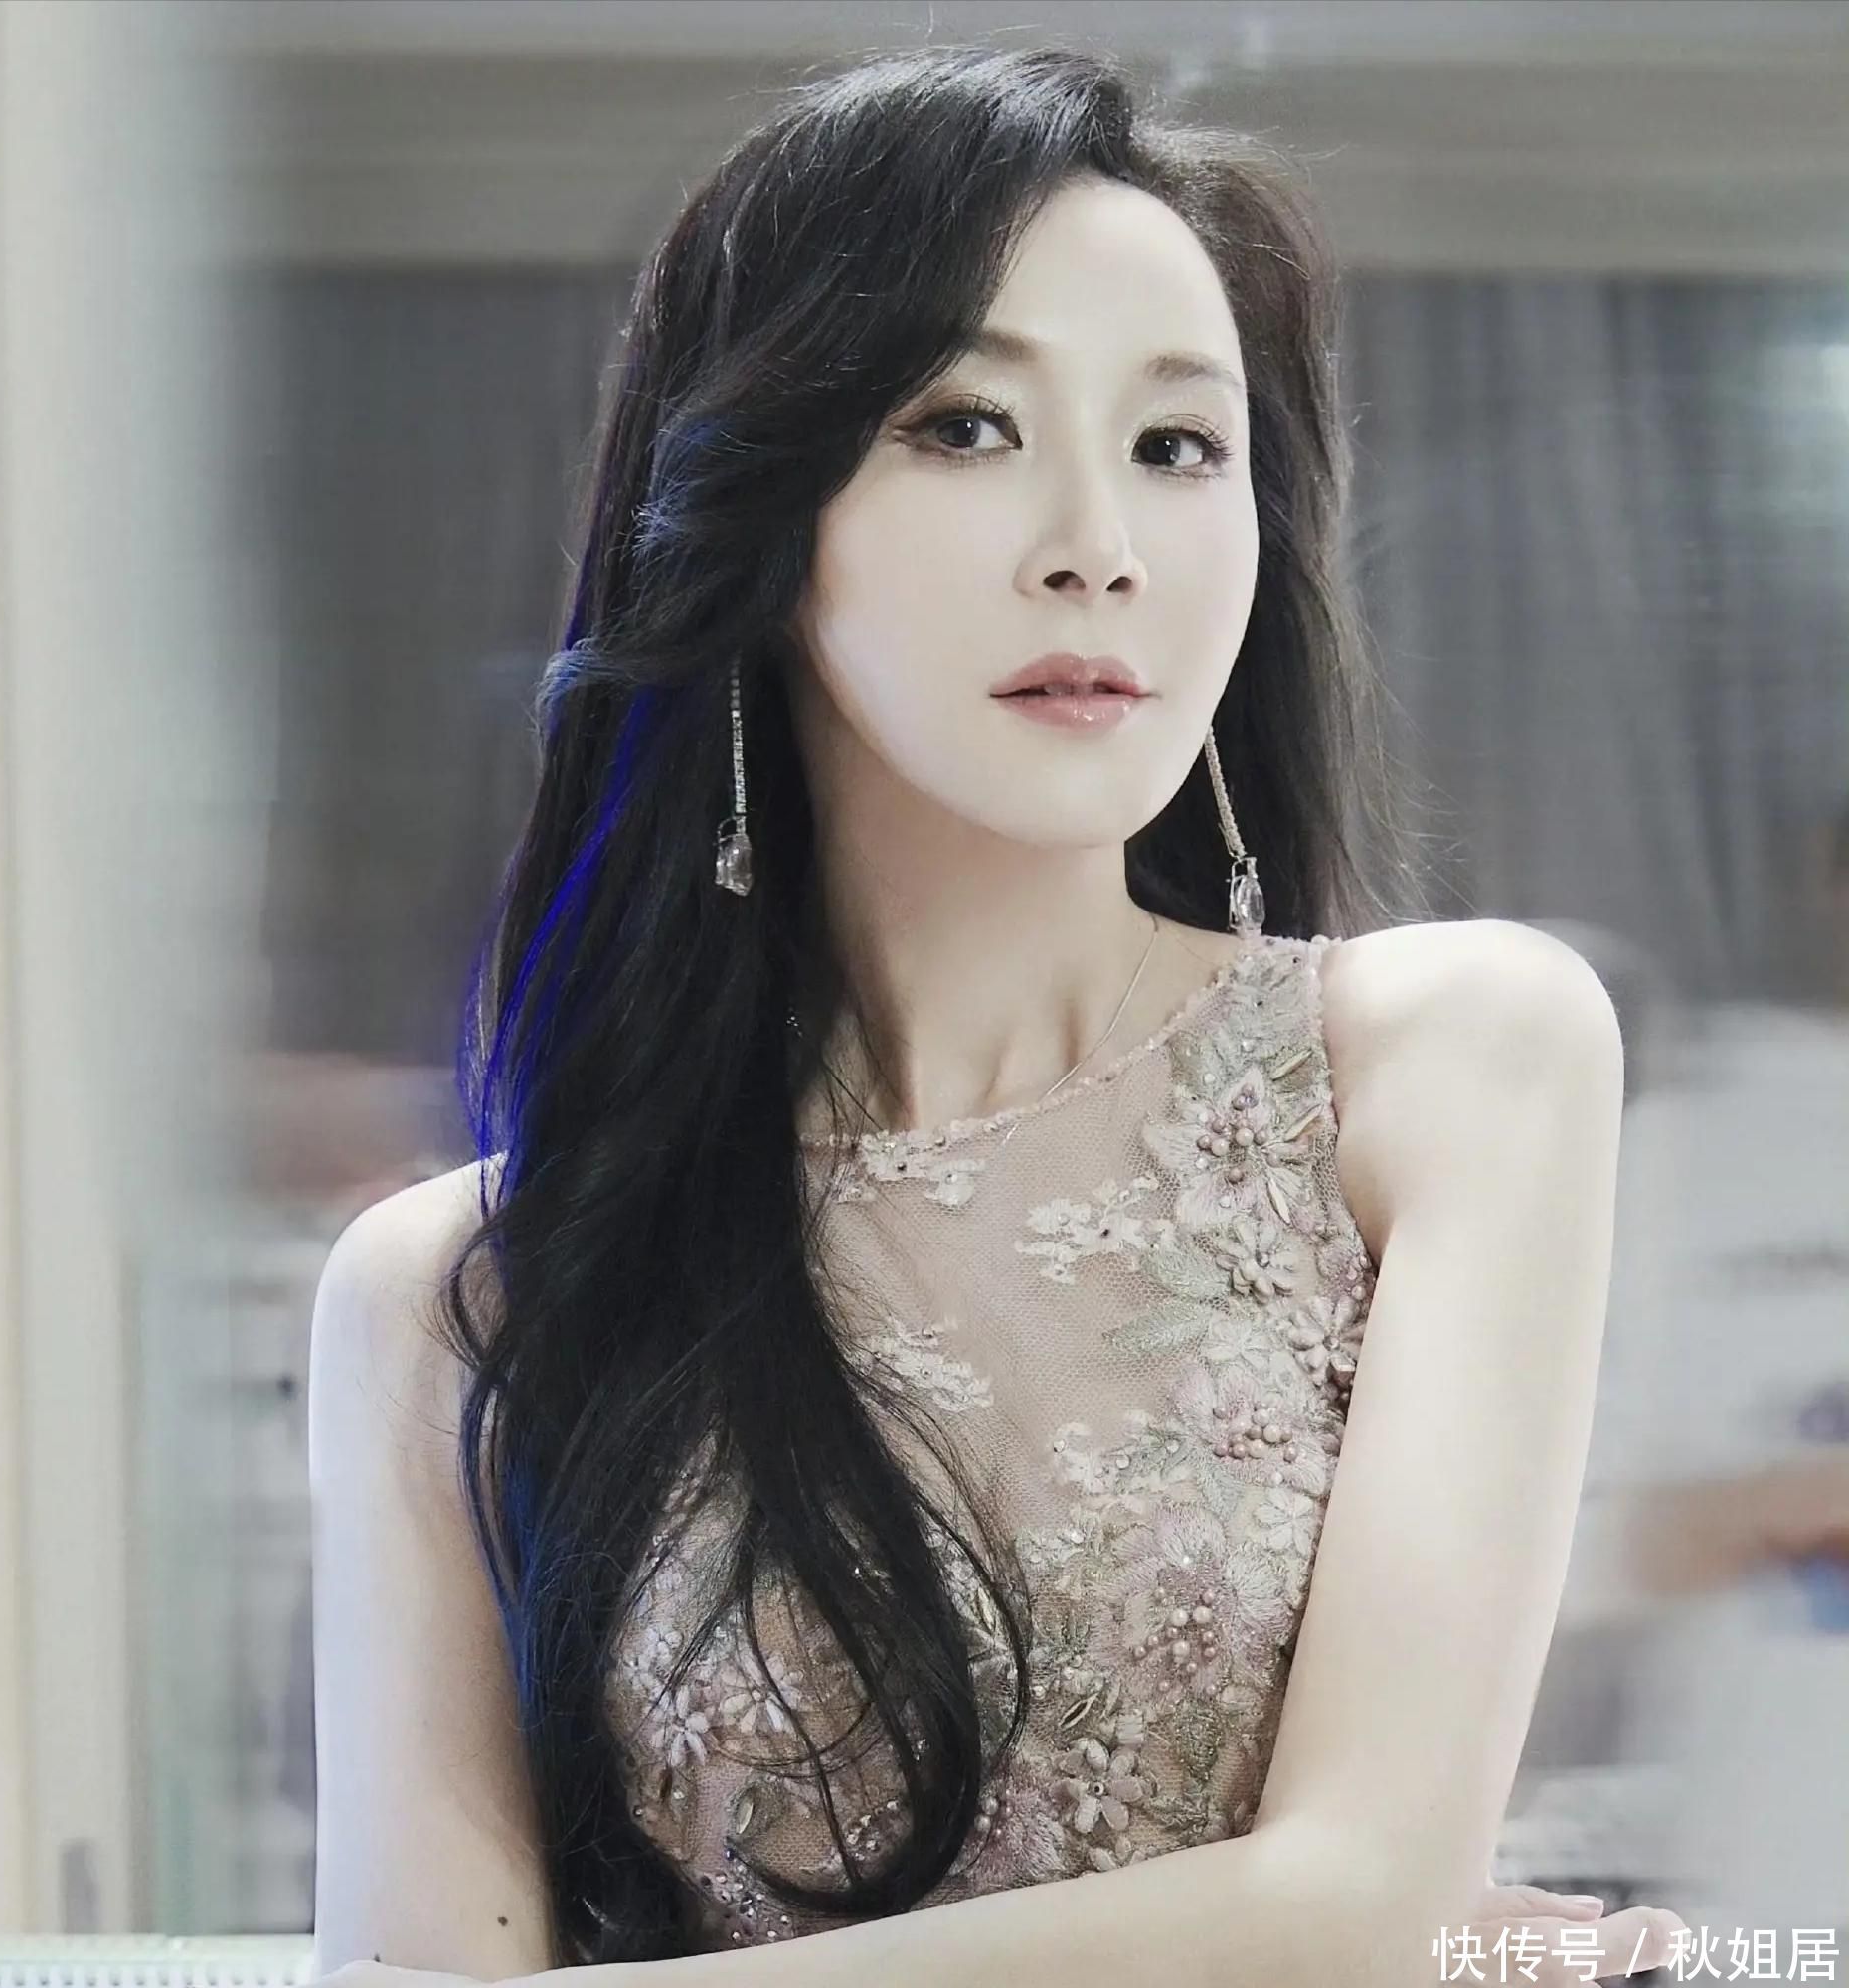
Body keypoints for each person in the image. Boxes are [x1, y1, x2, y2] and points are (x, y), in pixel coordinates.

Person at [303, 44, 1687, 1987]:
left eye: (1177, 445)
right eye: (966, 426)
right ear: (763, 515)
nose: (1097, 543)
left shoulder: (1446, 1065)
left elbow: (1360, 1893)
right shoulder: (465, 1295)